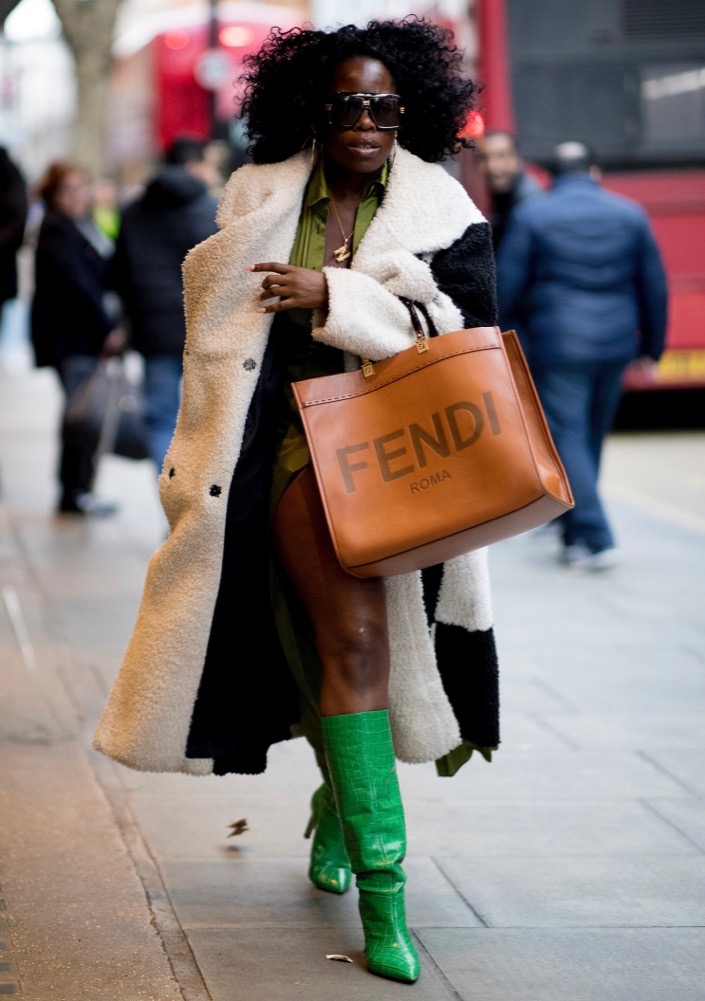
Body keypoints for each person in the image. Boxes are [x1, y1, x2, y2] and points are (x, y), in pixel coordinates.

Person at [94, 19, 500, 984]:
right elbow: (218, 330)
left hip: (400, 457)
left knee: (349, 646)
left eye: (384, 107)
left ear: (412, 114)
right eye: (347, 105)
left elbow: (465, 331)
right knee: (321, 640)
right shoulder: (257, 191)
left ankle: (372, 870)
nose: (365, 122)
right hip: (282, 454)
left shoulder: (441, 205)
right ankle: (361, 848)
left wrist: (335, 293)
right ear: (314, 111)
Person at [497, 141, 668, 569]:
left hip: (558, 343)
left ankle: (593, 536)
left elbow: (507, 285)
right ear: (593, 170)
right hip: (616, 344)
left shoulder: (533, 214)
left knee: (568, 436)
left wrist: (504, 338)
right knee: (588, 436)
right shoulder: (630, 213)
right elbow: (654, 286)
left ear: (552, 176)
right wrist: (652, 347)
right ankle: (573, 530)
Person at [110, 137, 219, 471]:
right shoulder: (209, 208)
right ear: (193, 165)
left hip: (153, 329)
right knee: (208, 422)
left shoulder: (133, 212)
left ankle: (168, 505)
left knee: (160, 419)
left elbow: (118, 273)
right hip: (204, 327)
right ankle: (197, 506)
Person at [31, 161, 124, 515]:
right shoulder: (57, 228)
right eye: (68, 190)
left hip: (78, 337)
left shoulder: (76, 226)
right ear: (54, 194)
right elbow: (78, 286)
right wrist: (107, 328)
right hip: (72, 339)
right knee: (80, 416)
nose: (77, 196)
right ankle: (73, 492)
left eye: (81, 188)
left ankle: (78, 490)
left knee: (80, 414)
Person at [476, 130, 541, 251]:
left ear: (517, 159)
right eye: (484, 157)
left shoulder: (531, 202)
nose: (492, 166)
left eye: (501, 156)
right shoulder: (484, 198)